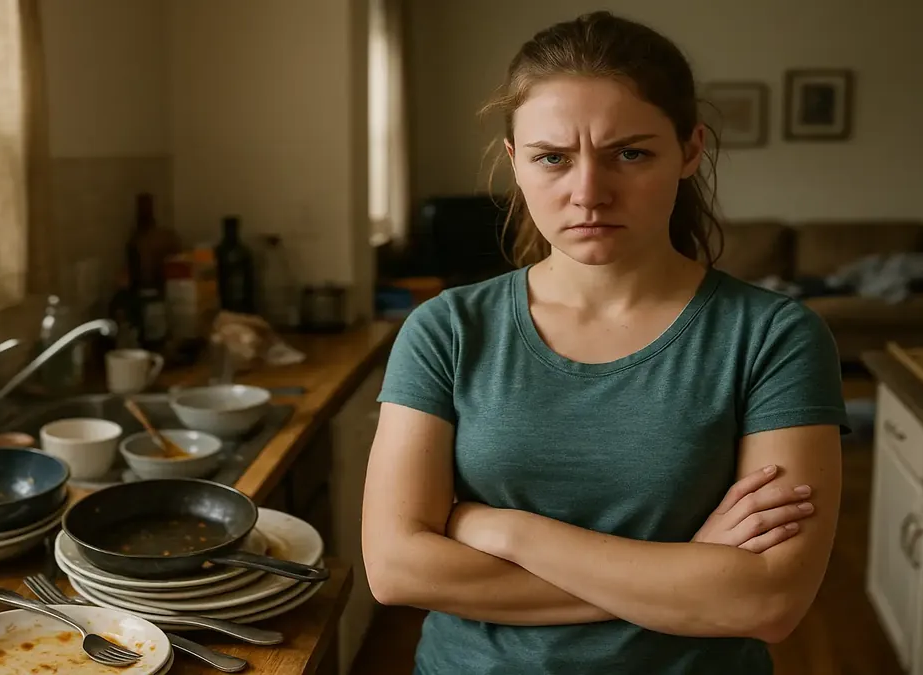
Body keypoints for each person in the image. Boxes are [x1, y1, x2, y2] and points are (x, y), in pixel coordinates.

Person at [361, 11, 848, 675]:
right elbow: (394, 568)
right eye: (552, 158)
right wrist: (686, 579)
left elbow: (765, 599)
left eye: (630, 153)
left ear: (690, 150)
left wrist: (503, 529)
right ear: (515, 162)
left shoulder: (773, 337)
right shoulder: (446, 329)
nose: (588, 192)